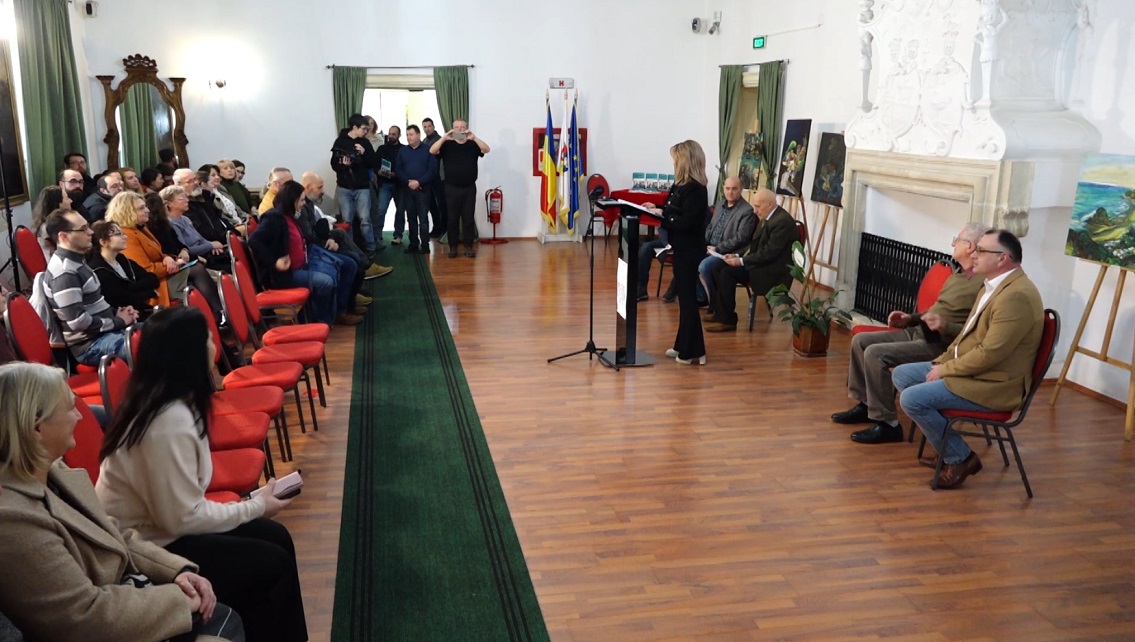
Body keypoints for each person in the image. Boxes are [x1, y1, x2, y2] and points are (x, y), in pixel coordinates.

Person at [95, 307, 307, 642]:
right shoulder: (167, 420)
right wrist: (255, 507)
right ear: (188, 353)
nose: (213, 341)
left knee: (276, 537)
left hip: (164, 529)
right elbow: (181, 518)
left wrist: (253, 505)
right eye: (206, 335)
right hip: (144, 549)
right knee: (271, 565)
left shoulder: (171, 401)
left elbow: (183, 504)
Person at [0, 361, 244, 642]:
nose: (79, 417)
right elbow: (84, 618)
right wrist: (177, 600)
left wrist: (175, 570)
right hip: (106, 623)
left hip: (124, 597)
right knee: (229, 613)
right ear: (36, 428)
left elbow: (113, 534)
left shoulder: (53, 471)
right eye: (69, 409)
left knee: (235, 598)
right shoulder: (13, 520)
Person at [894, 229, 1044, 490]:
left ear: (1003, 258)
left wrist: (946, 370)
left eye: (981, 250)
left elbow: (990, 354)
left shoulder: (1016, 296)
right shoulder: (992, 286)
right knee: (902, 374)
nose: (974, 254)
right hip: (978, 372)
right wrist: (941, 361)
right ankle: (947, 446)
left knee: (911, 399)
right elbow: (965, 337)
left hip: (994, 384)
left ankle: (960, 458)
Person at [835, 222, 988, 444]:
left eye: (957, 240)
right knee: (861, 341)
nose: (953, 244)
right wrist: (910, 318)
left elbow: (975, 331)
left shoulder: (983, 285)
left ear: (970, 246)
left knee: (875, 354)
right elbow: (936, 310)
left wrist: (944, 326)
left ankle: (887, 424)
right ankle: (867, 404)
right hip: (919, 331)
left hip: (938, 344)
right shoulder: (957, 276)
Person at [248, 180, 362, 326]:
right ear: (292, 200)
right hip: (287, 273)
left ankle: (338, 312)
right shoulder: (274, 217)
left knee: (348, 265)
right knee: (326, 281)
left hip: (306, 260)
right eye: (301, 200)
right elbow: (254, 241)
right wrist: (275, 262)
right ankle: (323, 321)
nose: (303, 203)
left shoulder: (291, 215)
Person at [42, 209, 137, 365]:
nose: (91, 232)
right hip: (90, 345)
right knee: (149, 348)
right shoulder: (65, 273)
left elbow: (94, 302)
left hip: (104, 332)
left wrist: (118, 312)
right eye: (83, 229)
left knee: (162, 331)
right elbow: (78, 322)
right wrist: (118, 322)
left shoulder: (77, 259)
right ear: (64, 236)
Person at [646, 140, 709, 365]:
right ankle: (683, 345)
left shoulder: (696, 189)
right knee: (684, 298)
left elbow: (687, 222)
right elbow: (674, 211)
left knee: (688, 299)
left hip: (690, 249)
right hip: (681, 247)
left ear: (686, 161)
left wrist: (664, 217)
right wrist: (658, 210)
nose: (673, 163)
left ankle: (694, 351)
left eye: (676, 159)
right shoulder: (681, 186)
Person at [703, 188, 796, 333]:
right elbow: (754, 246)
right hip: (761, 263)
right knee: (717, 267)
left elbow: (769, 254)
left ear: (769, 204)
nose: (755, 210)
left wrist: (741, 261)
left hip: (772, 270)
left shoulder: (782, 222)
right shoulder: (768, 216)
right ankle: (720, 312)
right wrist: (737, 256)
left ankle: (727, 321)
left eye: (758, 206)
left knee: (727, 273)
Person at [104, 191, 190, 307]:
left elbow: (158, 253)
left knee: (198, 273)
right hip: (156, 283)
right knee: (196, 273)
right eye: (142, 208)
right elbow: (146, 270)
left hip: (163, 274)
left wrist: (167, 258)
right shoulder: (127, 236)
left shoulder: (141, 228)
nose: (147, 210)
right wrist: (175, 264)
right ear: (127, 212)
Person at [430, 118, 489, 258]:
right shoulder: (447, 145)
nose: (460, 129)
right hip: (451, 188)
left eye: (463, 127)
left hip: (469, 188)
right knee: (452, 219)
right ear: (452, 129)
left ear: (466, 128)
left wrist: (474, 138)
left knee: (468, 219)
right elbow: (432, 151)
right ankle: (453, 247)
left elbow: (486, 149)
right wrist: (444, 137)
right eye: (457, 127)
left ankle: (468, 246)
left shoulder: (473, 144)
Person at [699, 176, 755, 312]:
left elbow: (741, 238)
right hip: (709, 247)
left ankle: (715, 303)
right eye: (727, 188)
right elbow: (710, 227)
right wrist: (702, 243)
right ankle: (701, 297)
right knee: (686, 258)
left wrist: (718, 248)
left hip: (727, 252)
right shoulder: (719, 205)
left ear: (741, 190)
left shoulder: (746, 210)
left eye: (734, 189)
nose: (730, 192)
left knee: (704, 266)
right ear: (723, 189)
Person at [87, 219, 160, 313]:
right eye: (118, 234)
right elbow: (122, 299)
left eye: (123, 234)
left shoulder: (122, 260)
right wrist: (150, 292)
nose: (125, 237)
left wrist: (129, 288)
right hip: (122, 315)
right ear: (103, 242)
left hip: (138, 310)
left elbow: (153, 279)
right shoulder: (99, 269)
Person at [330, 113, 378, 255]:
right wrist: (343, 165)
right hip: (344, 187)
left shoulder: (365, 143)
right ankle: (350, 250)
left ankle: (370, 248)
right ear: (355, 127)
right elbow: (334, 164)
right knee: (347, 221)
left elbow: (374, 163)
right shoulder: (340, 142)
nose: (366, 132)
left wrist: (364, 153)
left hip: (362, 187)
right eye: (363, 129)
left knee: (365, 220)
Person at [396, 124, 438, 254]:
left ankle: (425, 245)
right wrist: (408, 182)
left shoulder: (428, 150)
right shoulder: (403, 151)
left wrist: (419, 182)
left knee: (423, 219)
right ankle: (413, 244)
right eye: (407, 135)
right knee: (411, 218)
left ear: (418, 135)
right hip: (408, 190)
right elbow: (398, 169)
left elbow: (432, 170)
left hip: (423, 190)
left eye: (411, 134)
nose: (409, 137)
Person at [375, 125, 403, 246]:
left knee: (400, 211)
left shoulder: (403, 149)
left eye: (393, 134)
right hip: (385, 183)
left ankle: (398, 235)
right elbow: (375, 164)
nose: (391, 136)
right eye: (390, 134)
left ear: (399, 135)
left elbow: (406, 167)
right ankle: (377, 235)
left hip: (400, 184)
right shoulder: (381, 149)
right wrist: (379, 171)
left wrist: (396, 174)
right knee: (381, 210)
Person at [421, 117, 448, 238]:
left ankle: (444, 231)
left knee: (441, 206)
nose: (427, 129)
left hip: (439, 178)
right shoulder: (424, 141)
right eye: (425, 127)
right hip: (428, 179)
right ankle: (436, 229)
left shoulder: (440, 140)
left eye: (429, 126)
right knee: (432, 206)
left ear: (433, 126)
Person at [31, 185, 72, 258]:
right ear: (59, 204)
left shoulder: (45, 223)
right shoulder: (52, 227)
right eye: (67, 198)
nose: (70, 201)